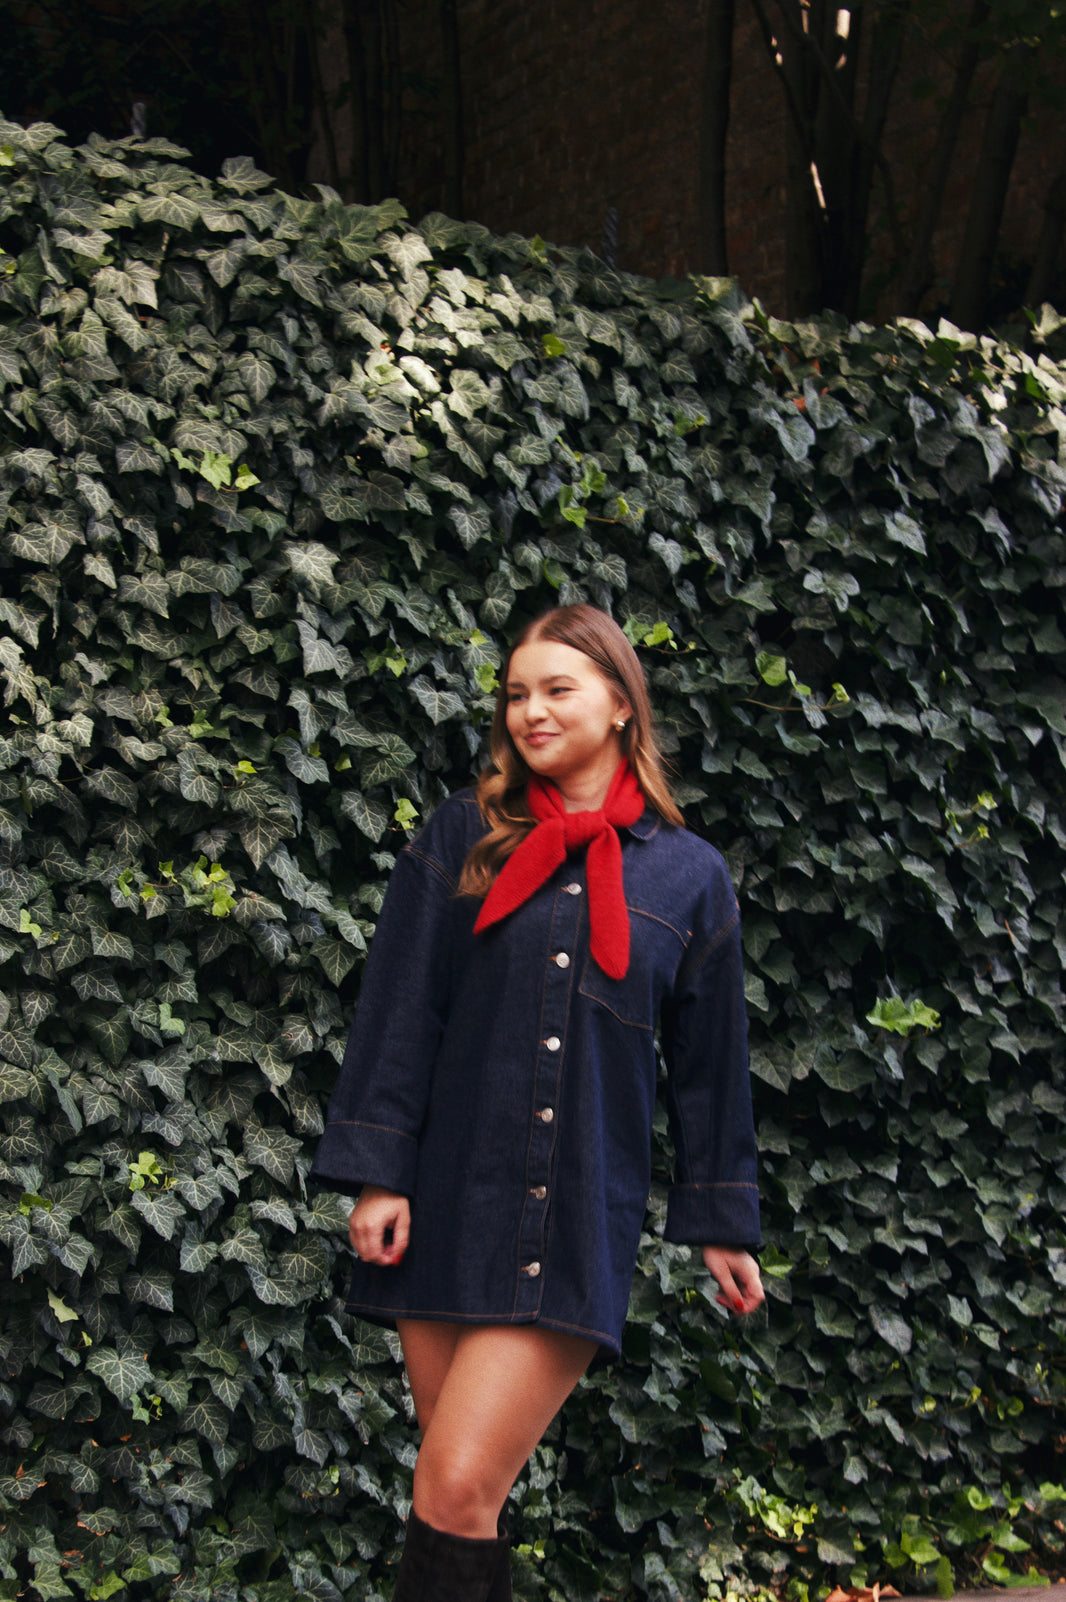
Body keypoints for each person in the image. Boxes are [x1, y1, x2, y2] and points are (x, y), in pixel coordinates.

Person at [311, 603, 764, 1602]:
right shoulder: (459, 835)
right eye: (516, 693)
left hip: (569, 1221)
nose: (530, 711)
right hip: (445, 1198)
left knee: (459, 1479)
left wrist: (721, 1221)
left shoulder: (692, 880)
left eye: (557, 688)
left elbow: (709, 1065)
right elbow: (401, 1007)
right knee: (456, 1492)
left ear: (619, 705)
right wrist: (379, 1173)